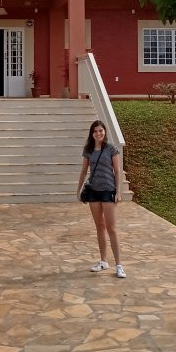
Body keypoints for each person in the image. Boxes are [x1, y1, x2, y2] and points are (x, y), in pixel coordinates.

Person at [77, 119, 125, 278]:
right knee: (100, 226)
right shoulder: (88, 150)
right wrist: (78, 189)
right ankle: (103, 261)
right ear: (92, 134)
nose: (99, 133)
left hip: (108, 190)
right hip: (93, 192)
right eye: (96, 131)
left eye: (101, 131)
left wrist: (118, 192)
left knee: (112, 228)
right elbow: (84, 171)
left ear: (104, 132)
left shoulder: (111, 149)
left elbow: (117, 171)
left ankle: (119, 265)